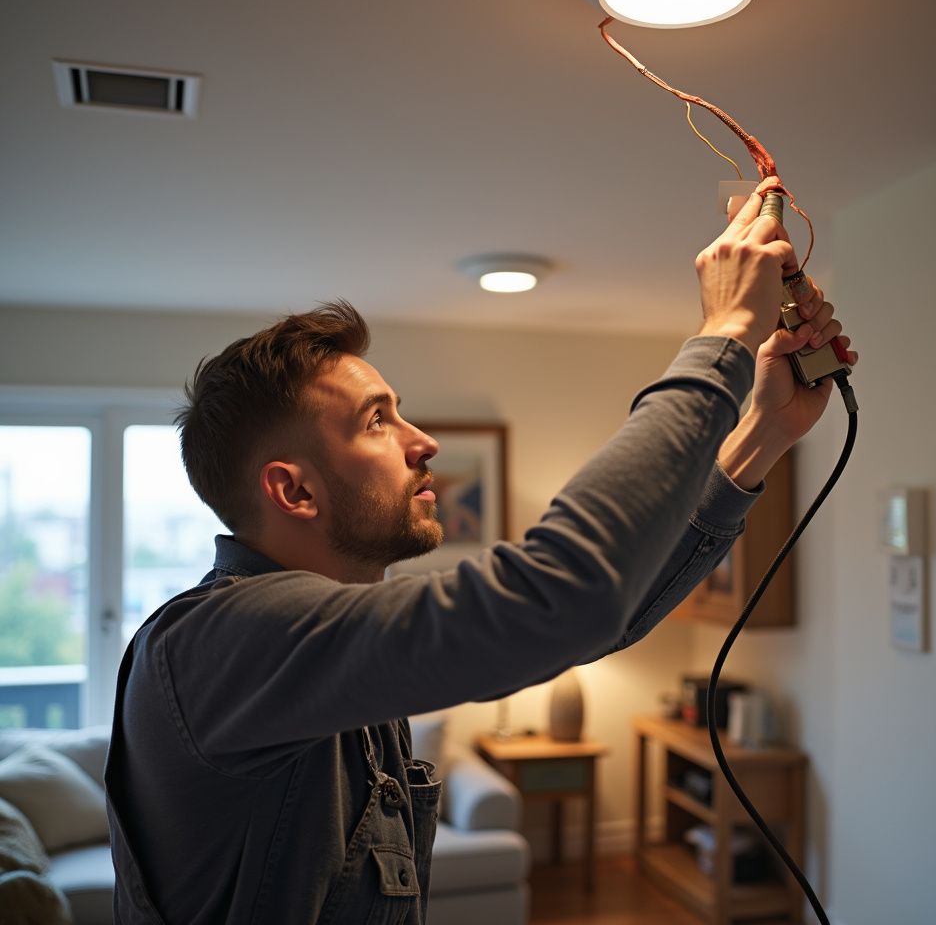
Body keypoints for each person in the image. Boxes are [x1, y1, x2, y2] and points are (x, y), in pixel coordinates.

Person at [104, 181, 856, 924]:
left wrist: (762, 432)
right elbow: (563, 598)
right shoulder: (214, 647)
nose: (423, 442)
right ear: (293, 491)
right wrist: (722, 335)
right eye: (377, 422)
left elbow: (600, 614)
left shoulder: (327, 642)